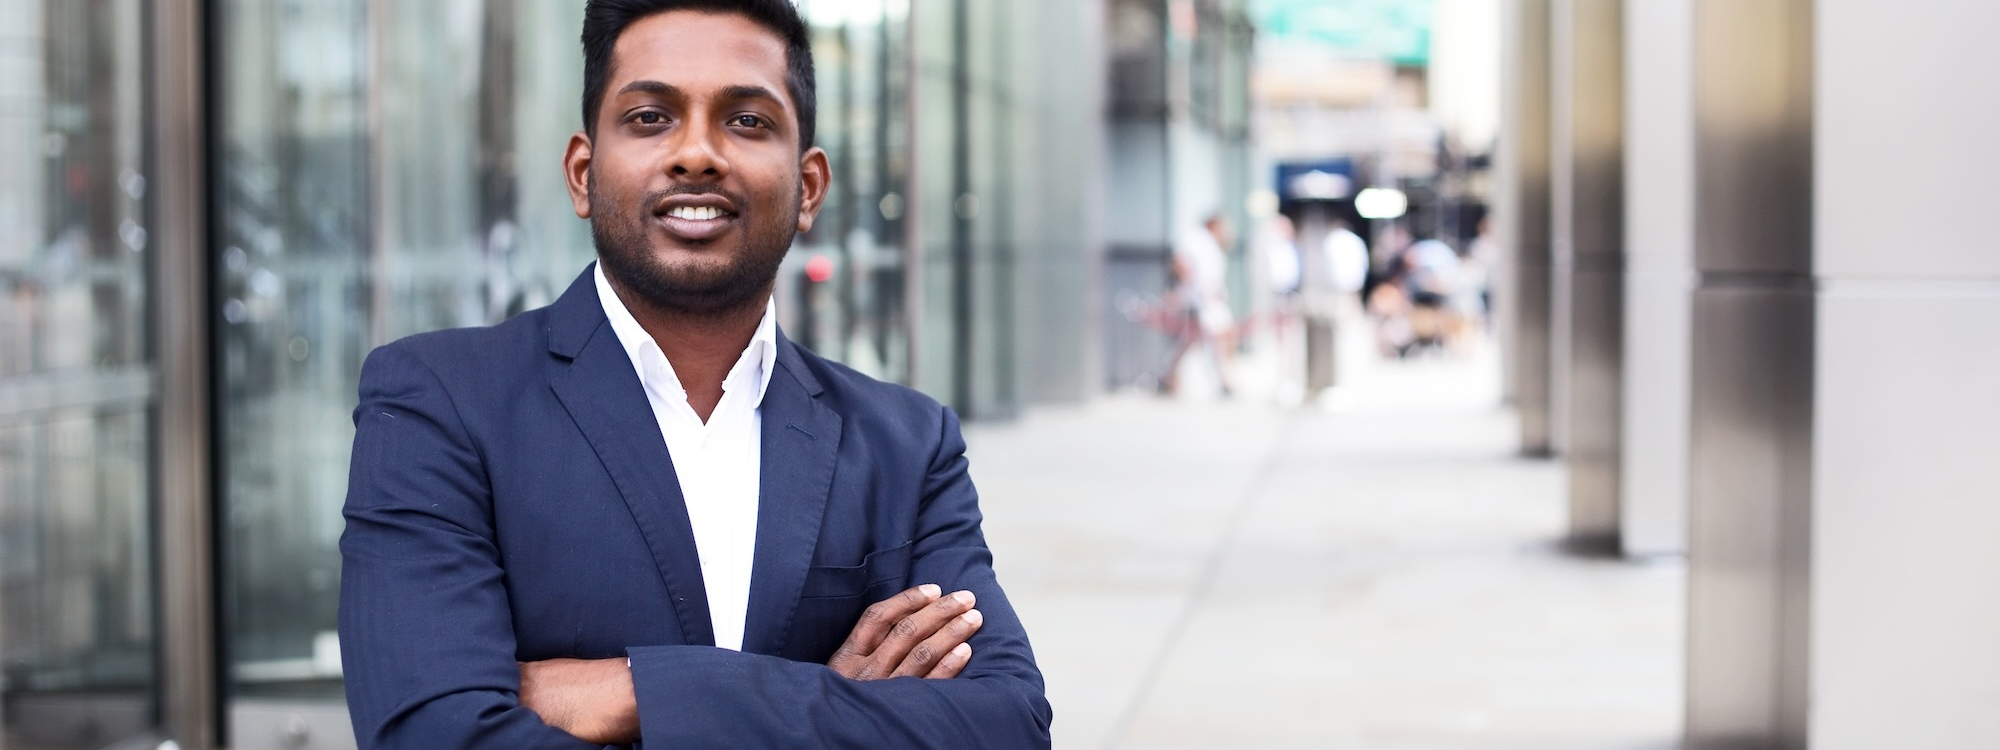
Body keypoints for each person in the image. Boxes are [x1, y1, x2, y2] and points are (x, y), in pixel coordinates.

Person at [336, 2, 1050, 748]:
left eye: (746, 121)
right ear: (583, 174)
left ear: (809, 186)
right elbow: (432, 733)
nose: (697, 154)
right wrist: (831, 699)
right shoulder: (440, 403)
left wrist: (640, 690)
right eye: (650, 117)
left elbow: (1005, 725)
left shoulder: (907, 444)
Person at [1159, 213, 1235, 396]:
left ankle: (1167, 376)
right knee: (1218, 336)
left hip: (1207, 299)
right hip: (1201, 300)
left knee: (1193, 338)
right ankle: (1224, 382)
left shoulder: (1209, 244)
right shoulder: (1195, 240)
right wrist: (1188, 289)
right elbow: (1180, 264)